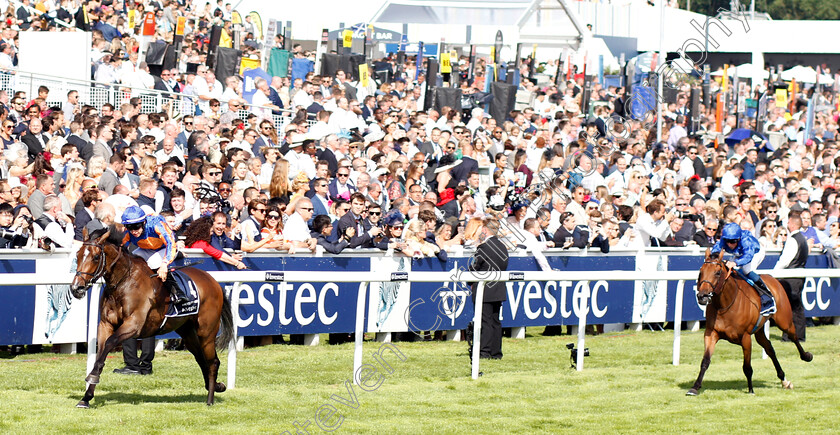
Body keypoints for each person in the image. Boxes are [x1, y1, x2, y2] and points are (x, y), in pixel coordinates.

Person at [120, 205, 186, 304]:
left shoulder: (156, 225)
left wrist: (164, 264)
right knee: (132, 259)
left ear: (143, 222)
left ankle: (177, 292)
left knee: (154, 262)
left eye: (136, 226)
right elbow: (120, 247)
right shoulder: (128, 232)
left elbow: (170, 243)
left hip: (165, 248)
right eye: (129, 227)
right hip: (146, 249)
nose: (133, 231)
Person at [711, 222, 775, 316]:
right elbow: (715, 250)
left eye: (732, 241)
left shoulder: (746, 240)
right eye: (727, 241)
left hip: (755, 253)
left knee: (746, 270)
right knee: (732, 271)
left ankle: (767, 296)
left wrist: (735, 262)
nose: (729, 244)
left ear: (739, 238)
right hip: (739, 253)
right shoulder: (725, 240)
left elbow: (748, 256)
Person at [468, 219, 509, 359]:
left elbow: (474, 268)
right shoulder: (503, 247)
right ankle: (496, 352)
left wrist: (469, 281)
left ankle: (484, 351)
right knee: (495, 322)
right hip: (498, 288)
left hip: (484, 290)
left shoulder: (483, 248)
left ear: (485, 230)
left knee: (484, 321)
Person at [774, 213, 809, 341]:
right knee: (797, 306)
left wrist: (774, 272)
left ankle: (790, 335)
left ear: (793, 224)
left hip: (790, 277)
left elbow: (785, 260)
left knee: (790, 307)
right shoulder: (803, 239)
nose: (787, 224)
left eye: (788, 222)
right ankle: (798, 335)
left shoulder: (793, 239)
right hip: (799, 276)